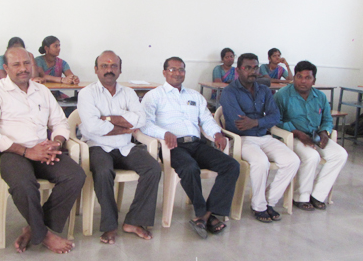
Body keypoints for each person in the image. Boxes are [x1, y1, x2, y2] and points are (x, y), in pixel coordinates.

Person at [0, 47, 86, 254]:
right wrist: (26, 152)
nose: (23, 69)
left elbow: (60, 122)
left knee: (75, 175)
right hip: (12, 152)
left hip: (43, 148)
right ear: (6, 68)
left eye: (26, 63)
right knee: (24, 185)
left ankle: (34, 228)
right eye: (16, 64)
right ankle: (44, 234)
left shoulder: (42, 91)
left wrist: (57, 142)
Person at [141, 57, 240, 238]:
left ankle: (206, 215)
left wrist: (217, 133)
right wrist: (164, 133)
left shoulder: (194, 96)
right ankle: (204, 214)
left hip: (197, 143)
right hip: (172, 146)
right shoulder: (154, 96)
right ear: (164, 72)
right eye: (172, 69)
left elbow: (207, 119)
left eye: (181, 69)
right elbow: (145, 124)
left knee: (231, 165)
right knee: (189, 167)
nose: (177, 73)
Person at [77, 51, 161, 244]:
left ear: (120, 70)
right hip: (97, 146)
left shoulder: (129, 93)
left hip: (125, 146)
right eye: (104, 66)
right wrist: (124, 125)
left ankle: (134, 221)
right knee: (103, 171)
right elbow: (93, 127)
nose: (109, 70)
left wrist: (107, 118)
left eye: (114, 66)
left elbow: (140, 120)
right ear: (96, 69)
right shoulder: (87, 93)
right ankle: (110, 225)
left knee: (153, 168)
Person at [219, 53, 299, 222]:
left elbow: (275, 116)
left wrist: (255, 122)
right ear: (238, 70)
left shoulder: (264, 90)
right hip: (242, 139)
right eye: (247, 68)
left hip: (264, 136)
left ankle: (268, 201)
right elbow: (238, 124)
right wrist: (262, 122)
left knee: (292, 161)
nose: (252, 71)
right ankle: (259, 207)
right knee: (261, 162)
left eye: (255, 68)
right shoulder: (229, 92)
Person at [275, 61, 348, 211]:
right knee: (312, 156)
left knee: (340, 154)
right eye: (299, 77)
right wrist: (296, 132)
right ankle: (301, 196)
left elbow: (327, 119)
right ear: (294, 78)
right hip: (292, 137)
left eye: (307, 78)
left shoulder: (320, 96)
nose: (303, 81)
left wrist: (325, 132)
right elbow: (276, 120)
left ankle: (317, 195)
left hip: (314, 135)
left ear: (314, 80)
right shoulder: (282, 95)